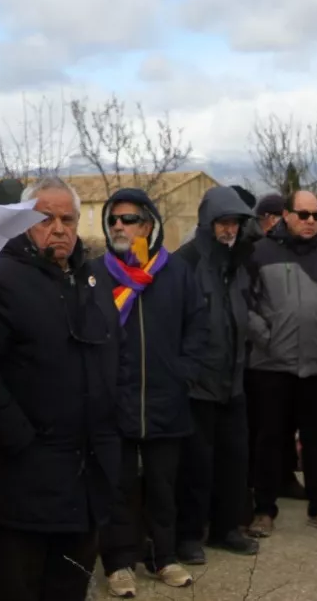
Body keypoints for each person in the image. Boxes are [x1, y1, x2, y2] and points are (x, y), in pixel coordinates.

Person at [0, 177, 120, 601]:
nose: (59, 228)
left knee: (68, 589)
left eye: (68, 219)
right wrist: (19, 437)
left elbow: (114, 357)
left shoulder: (93, 279)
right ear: (24, 223)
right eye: (46, 219)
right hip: (22, 482)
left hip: (84, 484)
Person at [91, 189, 206, 596]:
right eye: (113, 220)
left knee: (162, 487)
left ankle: (164, 557)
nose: (119, 226)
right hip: (115, 402)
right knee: (117, 487)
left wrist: (183, 374)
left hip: (165, 401)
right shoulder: (97, 274)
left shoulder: (176, 272)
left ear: (148, 225)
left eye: (129, 219)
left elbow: (198, 327)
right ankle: (119, 564)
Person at [245, 190, 317, 538]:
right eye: (304, 214)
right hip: (270, 366)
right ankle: (264, 510)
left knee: (315, 439)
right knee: (268, 439)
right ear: (286, 215)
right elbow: (243, 303)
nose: (311, 221)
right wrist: (266, 337)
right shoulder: (260, 252)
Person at [173, 187, 262, 565]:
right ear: (208, 223)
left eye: (235, 223)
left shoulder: (238, 263)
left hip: (233, 382)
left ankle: (227, 529)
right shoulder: (186, 262)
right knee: (195, 467)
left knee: (234, 462)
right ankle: (189, 535)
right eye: (223, 222)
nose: (230, 230)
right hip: (196, 387)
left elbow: (243, 312)